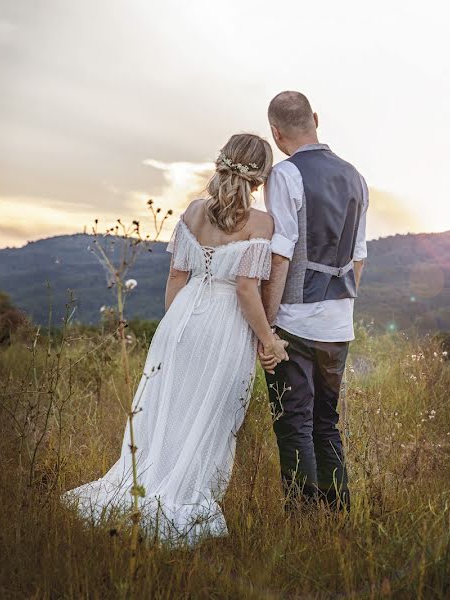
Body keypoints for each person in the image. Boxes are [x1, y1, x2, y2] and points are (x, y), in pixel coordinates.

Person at [62, 133, 289, 545]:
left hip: (181, 321)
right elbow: (245, 289)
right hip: (225, 327)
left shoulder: (193, 212)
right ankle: (183, 494)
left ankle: (146, 485)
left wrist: (175, 329)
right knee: (210, 416)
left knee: (170, 410)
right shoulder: (261, 223)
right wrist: (268, 340)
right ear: (261, 176)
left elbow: (176, 277)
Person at [259, 91, 368, 511]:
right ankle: (338, 513)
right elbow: (359, 257)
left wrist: (267, 328)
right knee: (327, 423)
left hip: (295, 320)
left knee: (294, 424)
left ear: (276, 132)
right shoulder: (356, 176)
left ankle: (304, 521)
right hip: (340, 322)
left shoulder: (284, 176)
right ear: (316, 119)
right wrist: (341, 306)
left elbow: (281, 254)